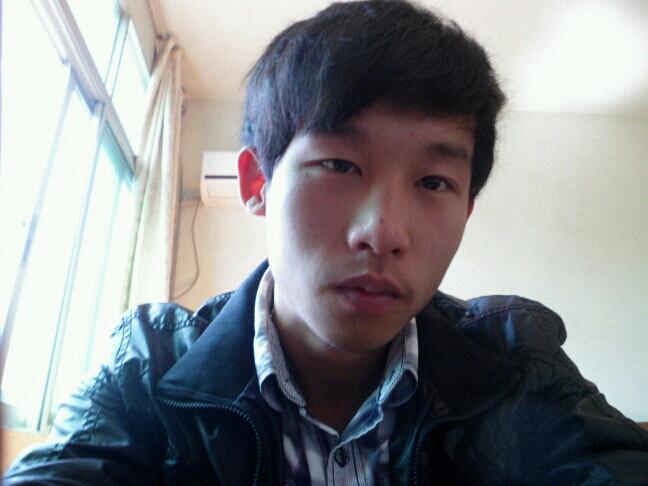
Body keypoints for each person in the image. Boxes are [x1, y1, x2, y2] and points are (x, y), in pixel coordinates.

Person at [5, 1, 648, 484]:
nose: (384, 233)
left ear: (467, 207)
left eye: (433, 181)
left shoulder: (515, 363)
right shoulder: (149, 369)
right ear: (257, 182)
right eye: (340, 165)